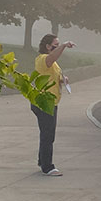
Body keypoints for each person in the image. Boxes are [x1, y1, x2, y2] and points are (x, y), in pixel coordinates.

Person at [32, 34, 75, 176]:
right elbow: (51, 59)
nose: (57, 47)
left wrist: (62, 79)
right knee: (48, 135)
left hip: (51, 102)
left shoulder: (53, 63)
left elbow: (53, 75)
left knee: (47, 133)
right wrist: (63, 46)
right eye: (55, 45)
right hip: (44, 102)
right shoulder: (42, 59)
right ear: (48, 46)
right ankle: (48, 166)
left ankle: (42, 160)